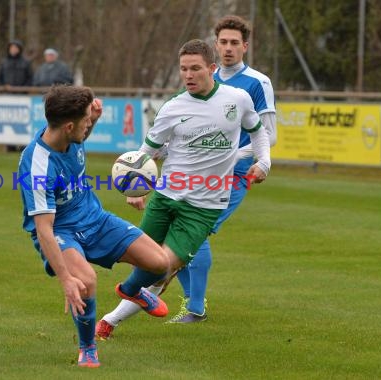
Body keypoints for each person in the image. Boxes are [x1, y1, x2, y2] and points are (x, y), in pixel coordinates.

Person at [95, 39, 271, 339]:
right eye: (183, 69)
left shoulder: (237, 99)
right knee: (146, 262)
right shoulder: (172, 107)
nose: (188, 75)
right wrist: (134, 189)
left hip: (205, 207)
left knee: (162, 265)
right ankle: (112, 318)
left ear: (212, 69)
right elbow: (145, 152)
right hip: (165, 198)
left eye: (195, 69)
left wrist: (263, 162)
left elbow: (258, 132)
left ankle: (117, 307)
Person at [17, 85, 169, 368]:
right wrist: (66, 280)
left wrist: (95, 116)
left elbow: (82, 128)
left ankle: (131, 290)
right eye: (87, 120)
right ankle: (87, 347)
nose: (90, 124)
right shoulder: (38, 167)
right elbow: (44, 229)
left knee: (160, 263)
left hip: (94, 219)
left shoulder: (67, 132)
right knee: (85, 281)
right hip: (60, 231)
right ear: (70, 126)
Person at [166, 15, 278, 323]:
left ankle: (194, 308)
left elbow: (269, 135)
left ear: (245, 46)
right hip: (196, 173)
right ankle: (190, 303)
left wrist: (232, 157)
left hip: (233, 175)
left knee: (193, 233)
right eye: (223, 43)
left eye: (234, 43)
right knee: (173, 230)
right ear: (215, 46)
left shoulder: (257, 83)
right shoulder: (203, 78)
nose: (228, 49)